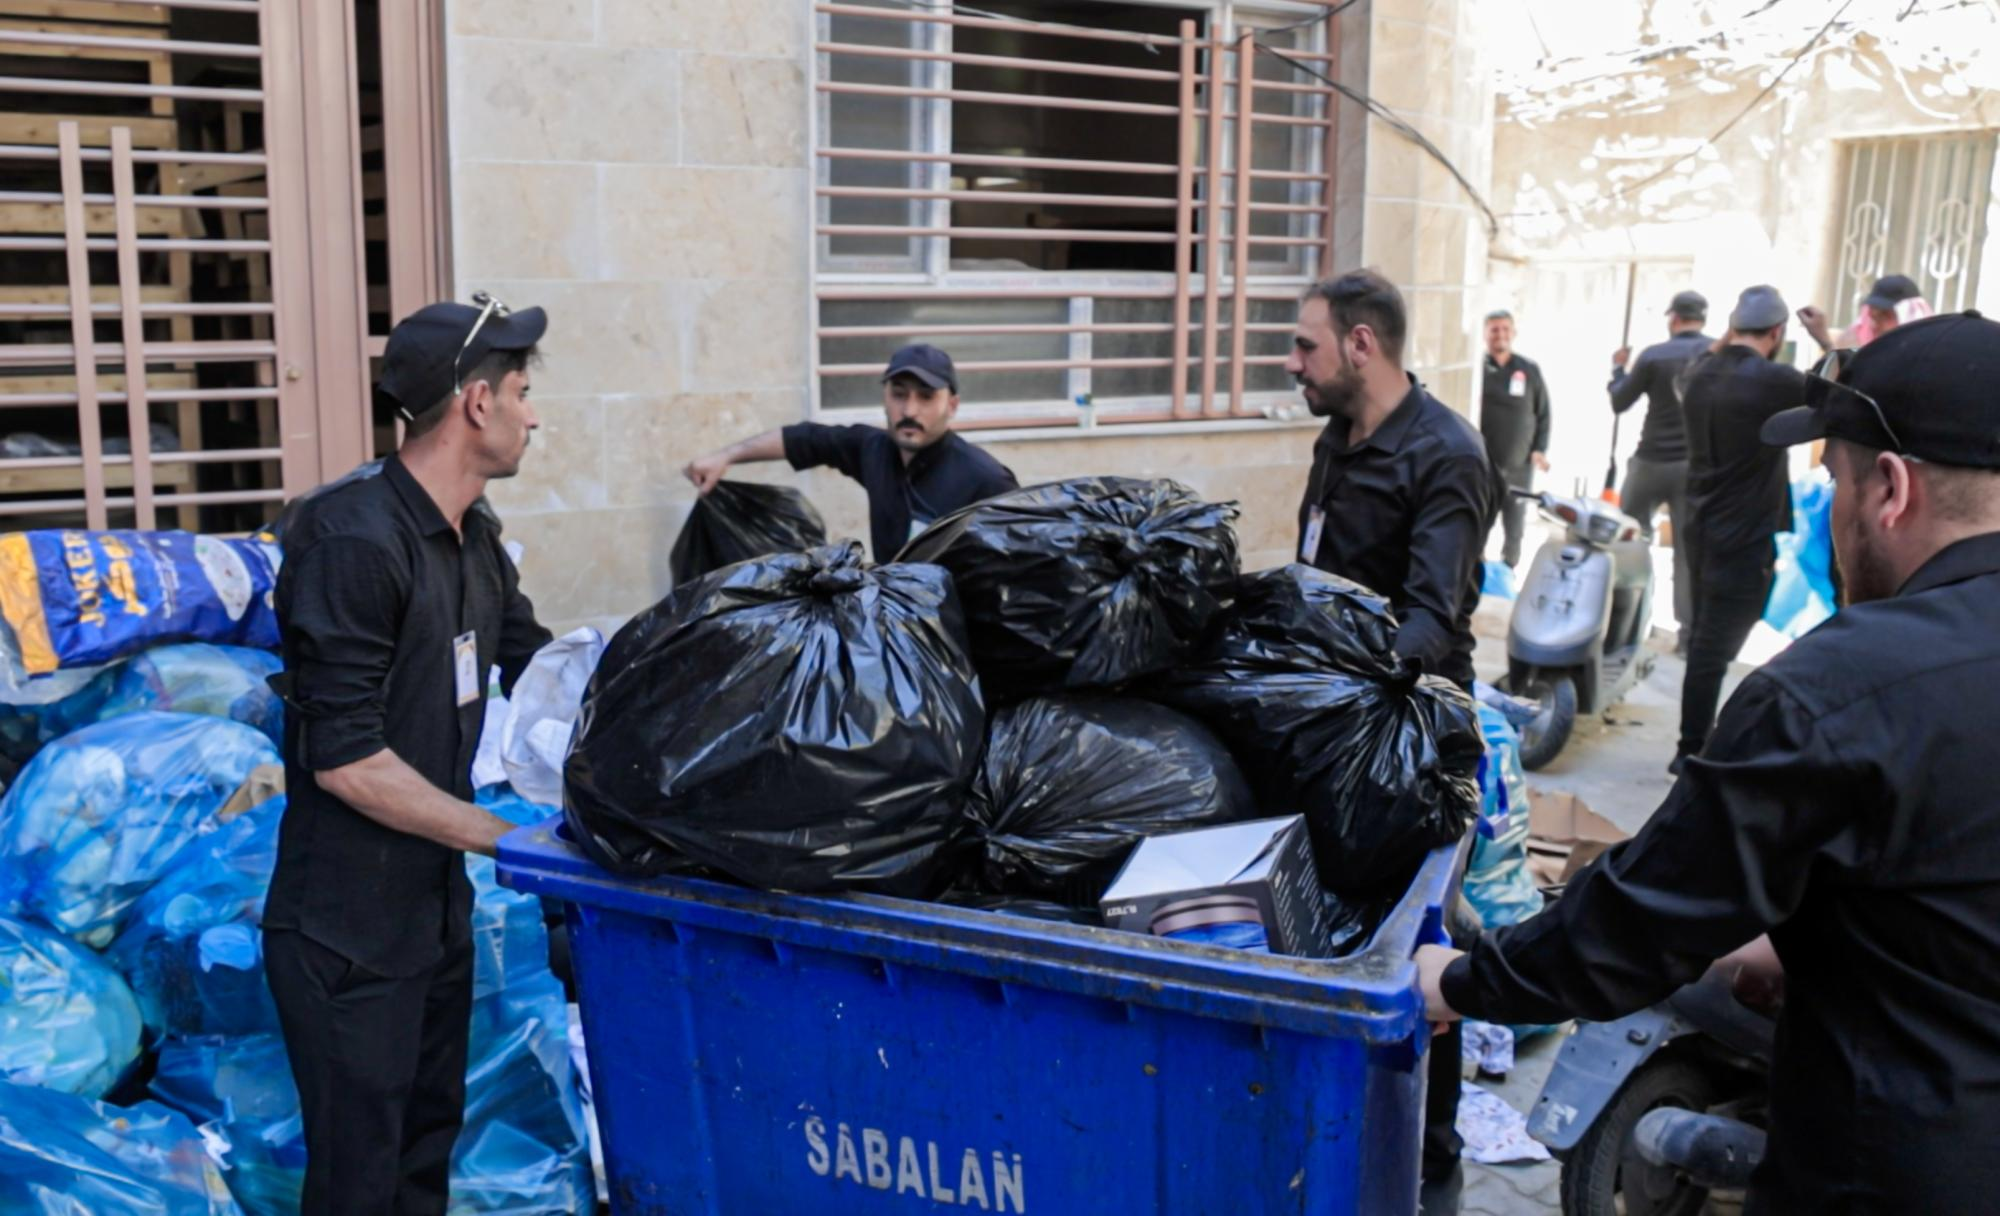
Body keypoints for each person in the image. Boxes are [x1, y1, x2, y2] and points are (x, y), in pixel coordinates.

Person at [1417, 311, 2000, 1213]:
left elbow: (1645, 916)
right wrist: (1813, 938)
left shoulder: (1839, 689)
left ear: (1889, 489)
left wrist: (1460, 982)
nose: (1834, 517)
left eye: (1836, 483)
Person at [265, 295, 556, 1216]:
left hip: (431, 918)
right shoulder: (353, 539)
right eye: (522, 393)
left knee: (423, 1164)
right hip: (346, 936)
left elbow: (546, 674)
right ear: (478, 401)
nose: (532, 416)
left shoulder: (474, 539)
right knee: (360, 1184)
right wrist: (511, 839)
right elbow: (348, 759)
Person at [1287, 268, 1498, 1198]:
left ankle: (1429, 1161)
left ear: (1361, 344)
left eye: (1306, 344)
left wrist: (1338, 689)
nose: (1293, 361)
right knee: (1340, 927)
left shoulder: (1446, 454)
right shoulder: (1336, 439)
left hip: (1414, 743)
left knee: (1419, 945)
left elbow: (1431, 620)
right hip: (1337, 728)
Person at [684, 343, 1018, 560]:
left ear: (952, 405)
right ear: (885, 397)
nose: (910, 410)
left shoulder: (985, 480)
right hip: (895, 621)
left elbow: (1020, 566)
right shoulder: (874, 450)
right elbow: (805, 439)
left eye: (926, 397)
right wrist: (724, 457)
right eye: (899, 394)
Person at [1672, 285, 1804, 772]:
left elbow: (1703, 362)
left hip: (1700, 525)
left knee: (1706, 640)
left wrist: (1726, 335)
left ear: (1732, 327)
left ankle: (1692, 744)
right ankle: (1693, 750)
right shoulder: (1775, 380)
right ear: (1777, 332)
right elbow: (1841, 391)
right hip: (1743, 532)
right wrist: (1824, 339)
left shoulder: (1697, 373)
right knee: (1715, 647)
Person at [1609, 289, 1710, 640]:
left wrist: (1617, 369)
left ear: (1674, 318)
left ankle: (1629, 626)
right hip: (1692, 467)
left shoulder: (1654, 356)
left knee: (1630, 543)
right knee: (1688, 553)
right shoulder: (1715, 354)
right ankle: (1688, 634)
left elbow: (1620, 401)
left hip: (1650, 462)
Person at [1476, 309, 1551, 569]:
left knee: (1515, 527)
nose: (1500, 334)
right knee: (1479, 523)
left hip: (1520, 466)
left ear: (1514, 332)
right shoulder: (1478, 370)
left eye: (1505, 329)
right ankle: (1476, 573)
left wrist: (1539, 449)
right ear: (1485, 334)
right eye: (1494, 330)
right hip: (1484, 465)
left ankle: (1509, 570)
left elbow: (1543, 413)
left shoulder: (1528, 370)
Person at [1796, 272, 1932, 353]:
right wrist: (1825, 341)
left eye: (1885, 316)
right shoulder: (1860, 341)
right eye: (1873, 316)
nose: (1875, 325)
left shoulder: (1926, 355)